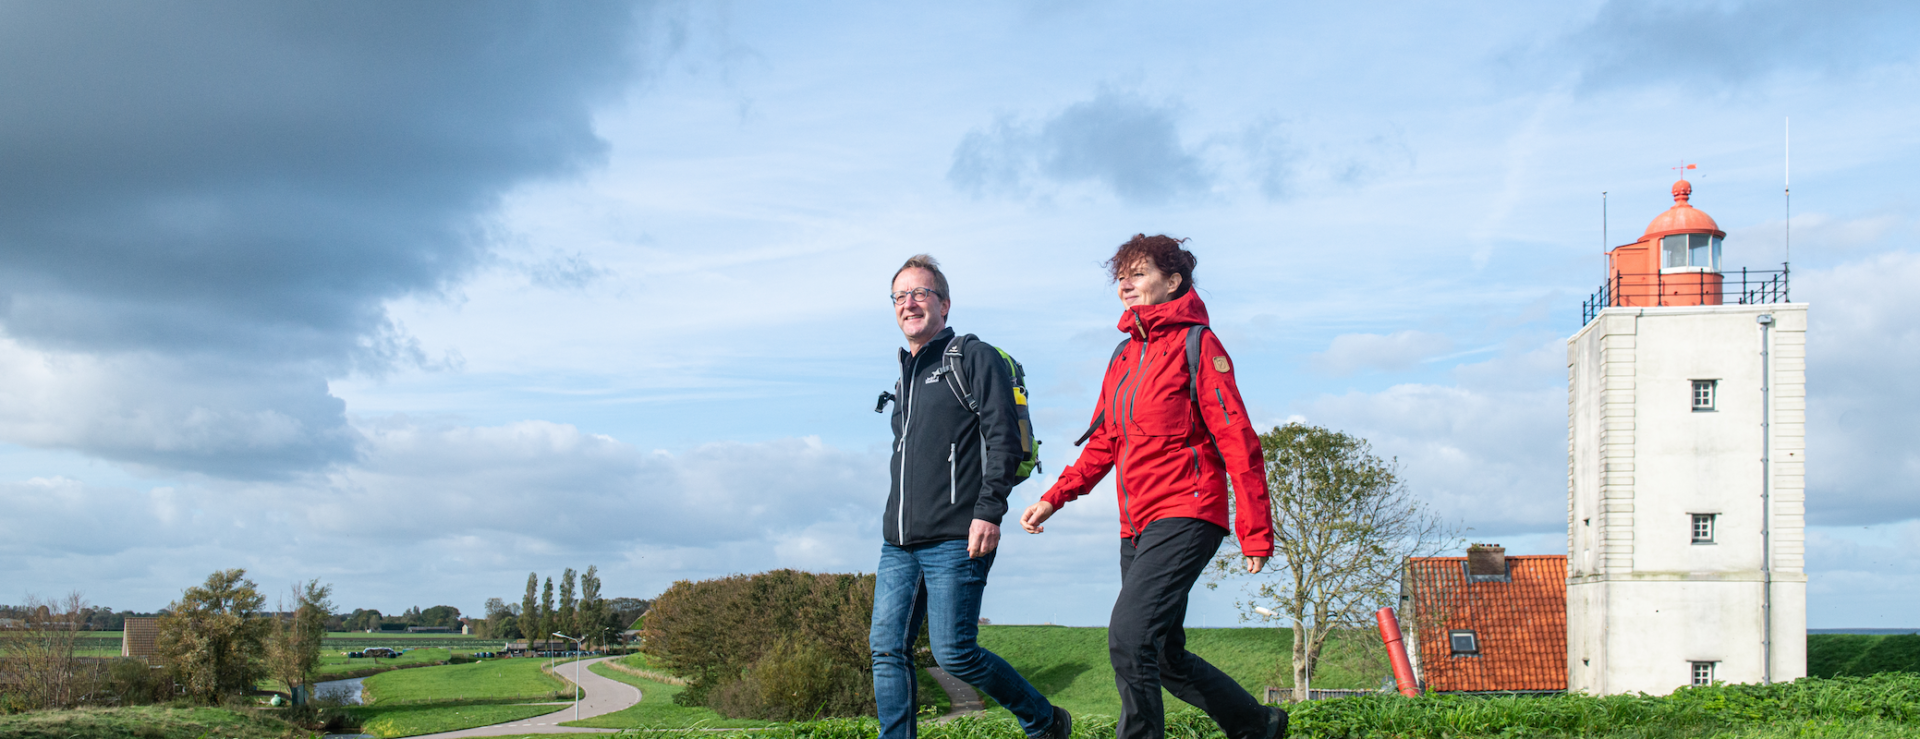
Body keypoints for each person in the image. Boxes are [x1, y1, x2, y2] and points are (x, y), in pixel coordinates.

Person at [1020, 235, 1286, 739]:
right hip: (1136, 522)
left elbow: (1237, 438)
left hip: (1189, 510)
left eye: (1138, 273)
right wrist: (1055, 497)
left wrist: (1255, 528)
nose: (1126, 283)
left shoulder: (1199, 345)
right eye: (1121, 276)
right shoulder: (1123, 355)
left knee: (1129, 636)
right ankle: (1257, 724)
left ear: (1173, 281)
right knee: (1161, 653)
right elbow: (1104, 441)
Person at [871, 254, 1070, 739]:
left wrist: (989, 510)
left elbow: (1003, 437)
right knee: (885, 649)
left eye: (920, 293)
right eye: (900, 296)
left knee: (955, 651)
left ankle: (1045, 722)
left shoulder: (970, 357)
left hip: (958, 536)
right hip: (898, 543)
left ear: (944, 303)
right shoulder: (906, 376)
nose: (909, 303)